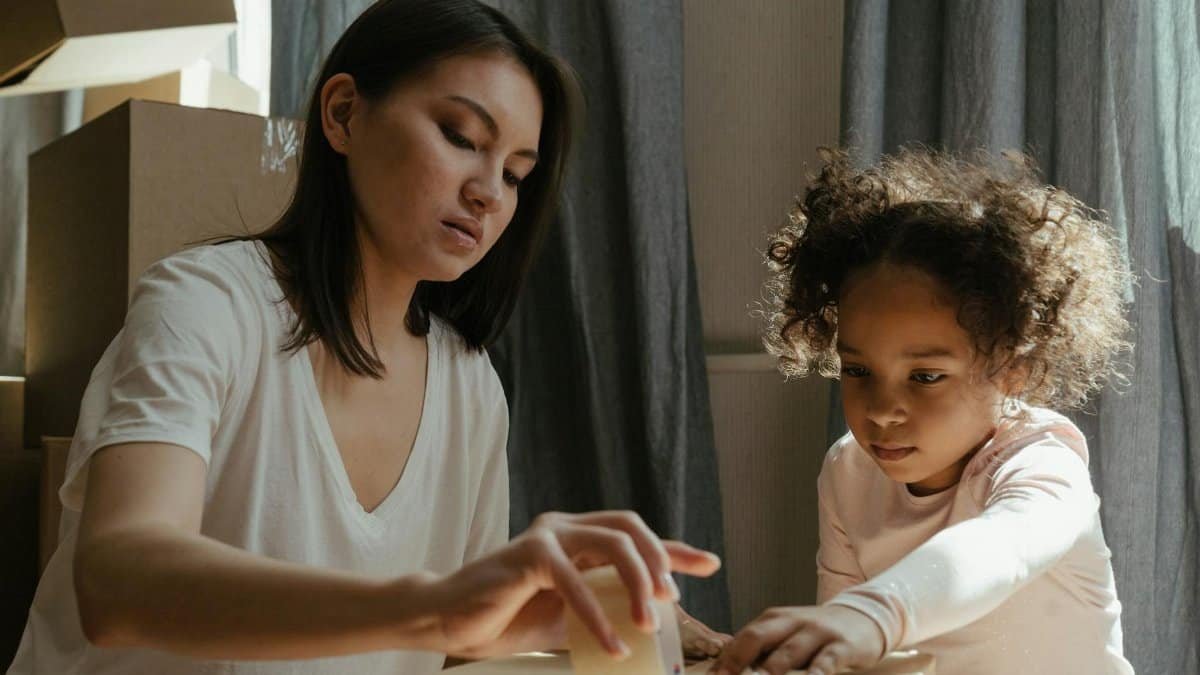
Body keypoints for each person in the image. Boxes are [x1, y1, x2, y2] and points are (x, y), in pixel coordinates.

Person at [10, 1, 723, 673]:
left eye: (514, 174)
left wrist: (559, 614)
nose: (488, 192)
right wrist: (440, 608)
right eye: (461, 138)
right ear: (344, 113)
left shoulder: (470, 385)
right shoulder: (205, 304)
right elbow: (118, 581)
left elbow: (446, 633)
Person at [712, 148, 1135, 675]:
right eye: (858, 371)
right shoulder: (848, 472)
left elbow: (1003, 548)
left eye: (925, 377)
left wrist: (873, 613)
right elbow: (845, 646)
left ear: (1012, 369)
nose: (883, 411)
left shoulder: (1042, 463)